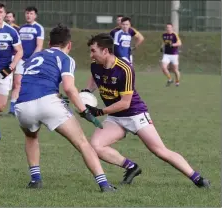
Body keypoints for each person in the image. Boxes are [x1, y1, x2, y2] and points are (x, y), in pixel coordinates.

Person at [81, 33, 210, 188]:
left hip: (135, 114)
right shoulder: (95, 66)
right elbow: (94, 82)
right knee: (95, 145)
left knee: (160, 151)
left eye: (93, 51)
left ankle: (198, 179)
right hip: (115, 117)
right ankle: (131, 167)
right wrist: (85, 94)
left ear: (105, 51)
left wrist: (100, 112)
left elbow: (125, 103)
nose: (91, 55)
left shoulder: (125, 69)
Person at [14, 24, 116, 192]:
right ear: (69, 45)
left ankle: (35, 179)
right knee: (82, 142)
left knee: (31, 137)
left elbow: (29, 82)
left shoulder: (34, 57)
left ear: (49, 43)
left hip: (23, 104)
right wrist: (85, 111)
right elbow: (69, 87)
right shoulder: (66, 58)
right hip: (48, 103)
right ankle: (104, 184)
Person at [9, 6, 44, 114]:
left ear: (35, 15)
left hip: (33, 61)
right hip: (21, 59)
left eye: (31, 13)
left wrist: (32, 59)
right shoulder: (21, 28)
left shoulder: (38, 28)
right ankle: (12, 109)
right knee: (17, 83)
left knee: (32, 84)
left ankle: (34, 107)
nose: (28, 15)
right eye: (27, 13)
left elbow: (39, 46)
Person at [0, 2, 23, 139]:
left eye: (0, 12)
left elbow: (19, 51)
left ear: (4, 14)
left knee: (0, 107)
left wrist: (11, 67)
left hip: (4, 72)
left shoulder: (11, 31)